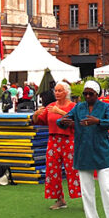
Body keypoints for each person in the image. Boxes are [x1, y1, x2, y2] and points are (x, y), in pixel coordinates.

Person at [59, 80, 109, 218]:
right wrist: (63, 121)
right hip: (83, 152)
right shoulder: (79, 107)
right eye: (85, 94)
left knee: (108, 188)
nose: (88, 96)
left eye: (91, 94)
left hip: (101, 153)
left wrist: (98, 121)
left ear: (98, 95)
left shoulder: (105, 107)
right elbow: (62, 121)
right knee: (86, 190)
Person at [32, 81, 79, 210]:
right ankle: (59, 199)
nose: (57, 93)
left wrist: (60, 112)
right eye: (56, 91)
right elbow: (39, 121)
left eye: (60, 91)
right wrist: (36, 115)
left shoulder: (73, 106)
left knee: (74, 170)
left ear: (66, 92)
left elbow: (78, 122)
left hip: (69, 140)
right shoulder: (50, 106)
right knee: (52, 171)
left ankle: (85, 198)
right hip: (53, 140)